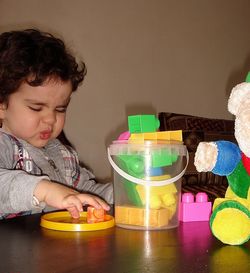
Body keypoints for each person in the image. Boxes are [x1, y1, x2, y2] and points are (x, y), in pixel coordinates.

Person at [0, 28, 113, 220]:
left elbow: (86, 192)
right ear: (2, 104)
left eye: (60, 109)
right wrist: (45, 190)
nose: (51, 119)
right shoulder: (4, 145)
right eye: (36, 108)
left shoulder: (61, 152)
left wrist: (125, 194)